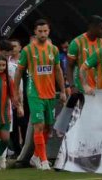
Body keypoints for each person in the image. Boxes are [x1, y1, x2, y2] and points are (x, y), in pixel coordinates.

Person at [18, 19, 66, 171]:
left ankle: (36, 157)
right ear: (34, 32)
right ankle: (44, 161)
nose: (43, 34)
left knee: (47, 128)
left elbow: (58, 70)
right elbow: (19, 72)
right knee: (38, 125)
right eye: (40, 31)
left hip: (50, 93)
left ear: (49, 31)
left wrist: (63, 91)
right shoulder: (28, 50)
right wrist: (15, 94)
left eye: (45, 31)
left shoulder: (53, 50)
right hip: (34, 93)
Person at [66, 16, 102, 100]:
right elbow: (69, 66)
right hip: (82, 89)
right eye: (101, 28)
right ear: (92, 27)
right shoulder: (76, 43)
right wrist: (72, 86)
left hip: (100, 89)